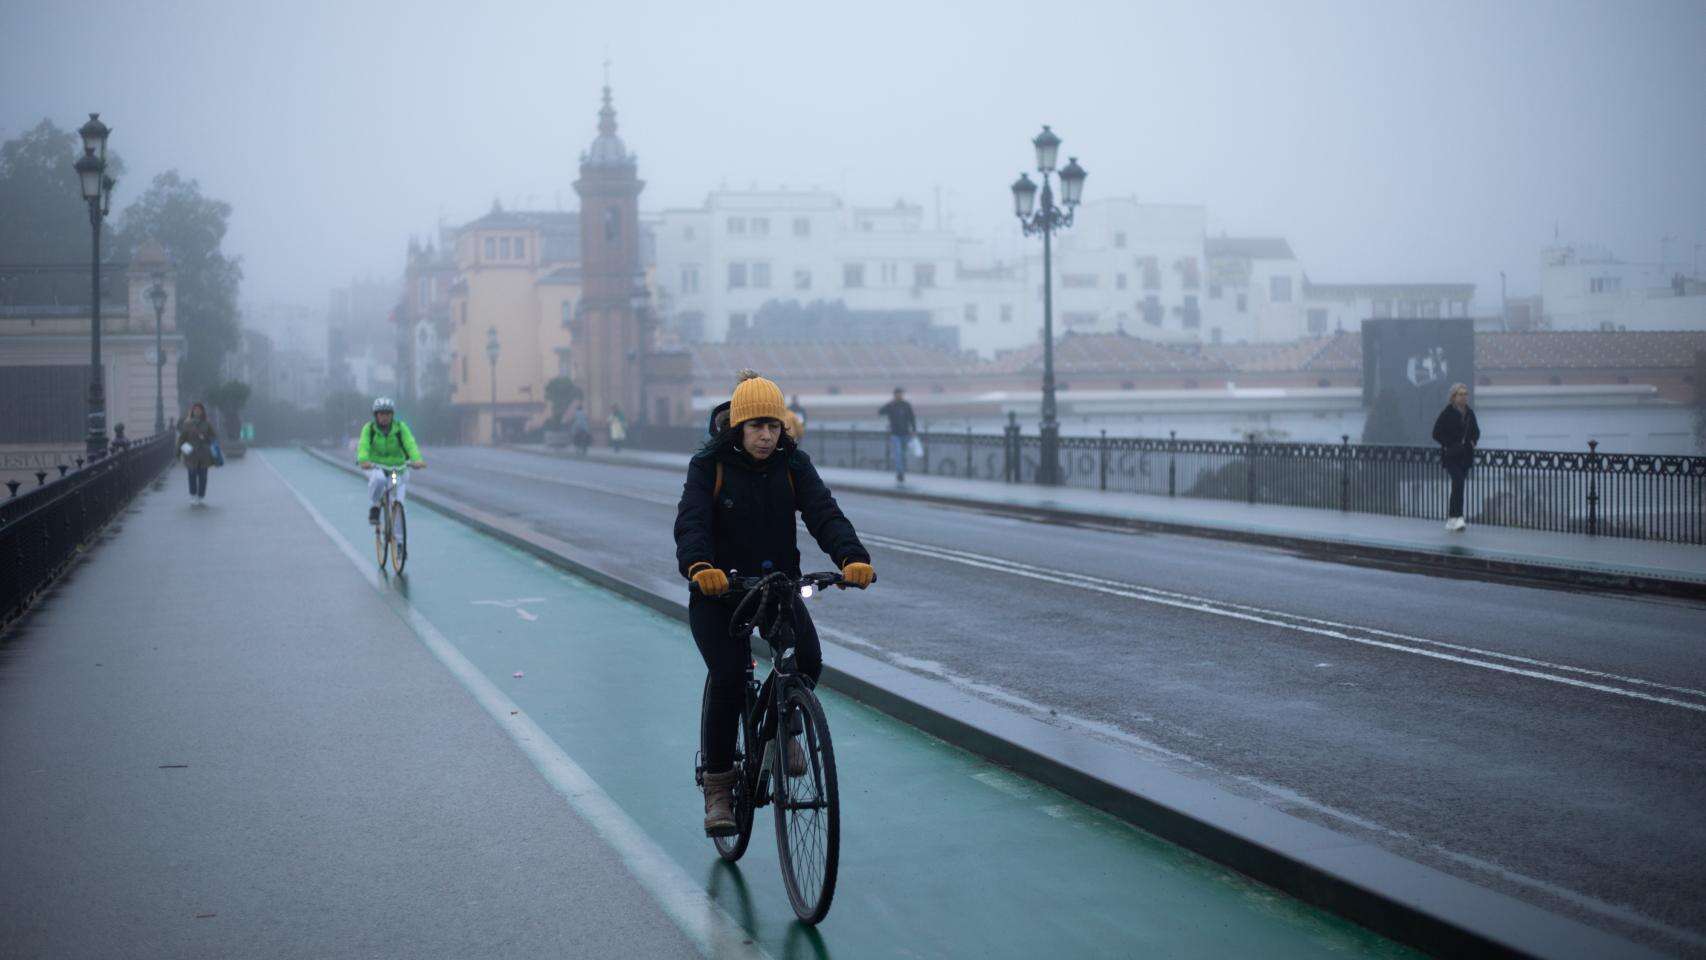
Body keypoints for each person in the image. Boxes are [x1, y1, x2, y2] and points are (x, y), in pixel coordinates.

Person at [674, 371, 875, 837]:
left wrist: (852, 557)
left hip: (776, 586)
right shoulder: (710, 466)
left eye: (774, 426)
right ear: (737, 428)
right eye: (756, 427)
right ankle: (720, 789)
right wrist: (700, 566)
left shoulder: (792, 464)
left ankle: (784, 724)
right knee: (728, 677)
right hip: (719, 592)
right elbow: (691, 522)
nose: (766, 436)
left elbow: (824, 512)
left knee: (808, 658)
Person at [356, 397, 425, 527]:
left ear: (392, 415)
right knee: (379, 479)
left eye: (388, 413)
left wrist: (417, 460)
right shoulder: (369, 429)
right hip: (375, 467)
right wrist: (363, 461)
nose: (385, 417)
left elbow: (410, 444)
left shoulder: (400, 428)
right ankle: (375, 506)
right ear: (376, 415)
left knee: (396, 499)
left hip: (395, 469)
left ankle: (398, 545)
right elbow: (363, 446)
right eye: (381, 414)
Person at [1431, 382, 1480, 531]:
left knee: (1458, 486)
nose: (1464, 397)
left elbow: (1476, 431)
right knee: (1458, 482)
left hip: (1465, 455)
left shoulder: (1470, 413)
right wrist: (1449, 444)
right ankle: (1458, 517)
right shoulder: (1447, 413)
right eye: (1461, 394)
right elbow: (1436, 433)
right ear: (1454, 396)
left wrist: (1472, 442)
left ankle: (1453, 518)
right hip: (1451, 456)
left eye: (1466, 394)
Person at [176, 403, 217, 505]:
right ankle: (193, 495)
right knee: (192, 474)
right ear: (192, 411)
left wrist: (205, 438)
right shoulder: (187, 424)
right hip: (191, 454)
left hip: (204, 454)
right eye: (195, 410)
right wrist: (177, 452)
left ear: (202, 411)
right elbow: (182, 438)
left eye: (199, 410)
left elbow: (214, 437)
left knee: (203, 476)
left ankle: (201, 496)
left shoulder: (206, 424)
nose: (197, 411)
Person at [878, 387, 917, 483]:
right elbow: (880, 412)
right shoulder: (891, 405)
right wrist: (889, 404)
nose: (899, 395)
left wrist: (914, 430)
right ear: (894, 395)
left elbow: (912, 418)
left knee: (903, 454)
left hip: (905, 434)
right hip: (895, 434)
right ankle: (900, 473)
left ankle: (901, 471)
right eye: (897, 394)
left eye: (900, 394)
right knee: (898, 454)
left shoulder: (906, 405)